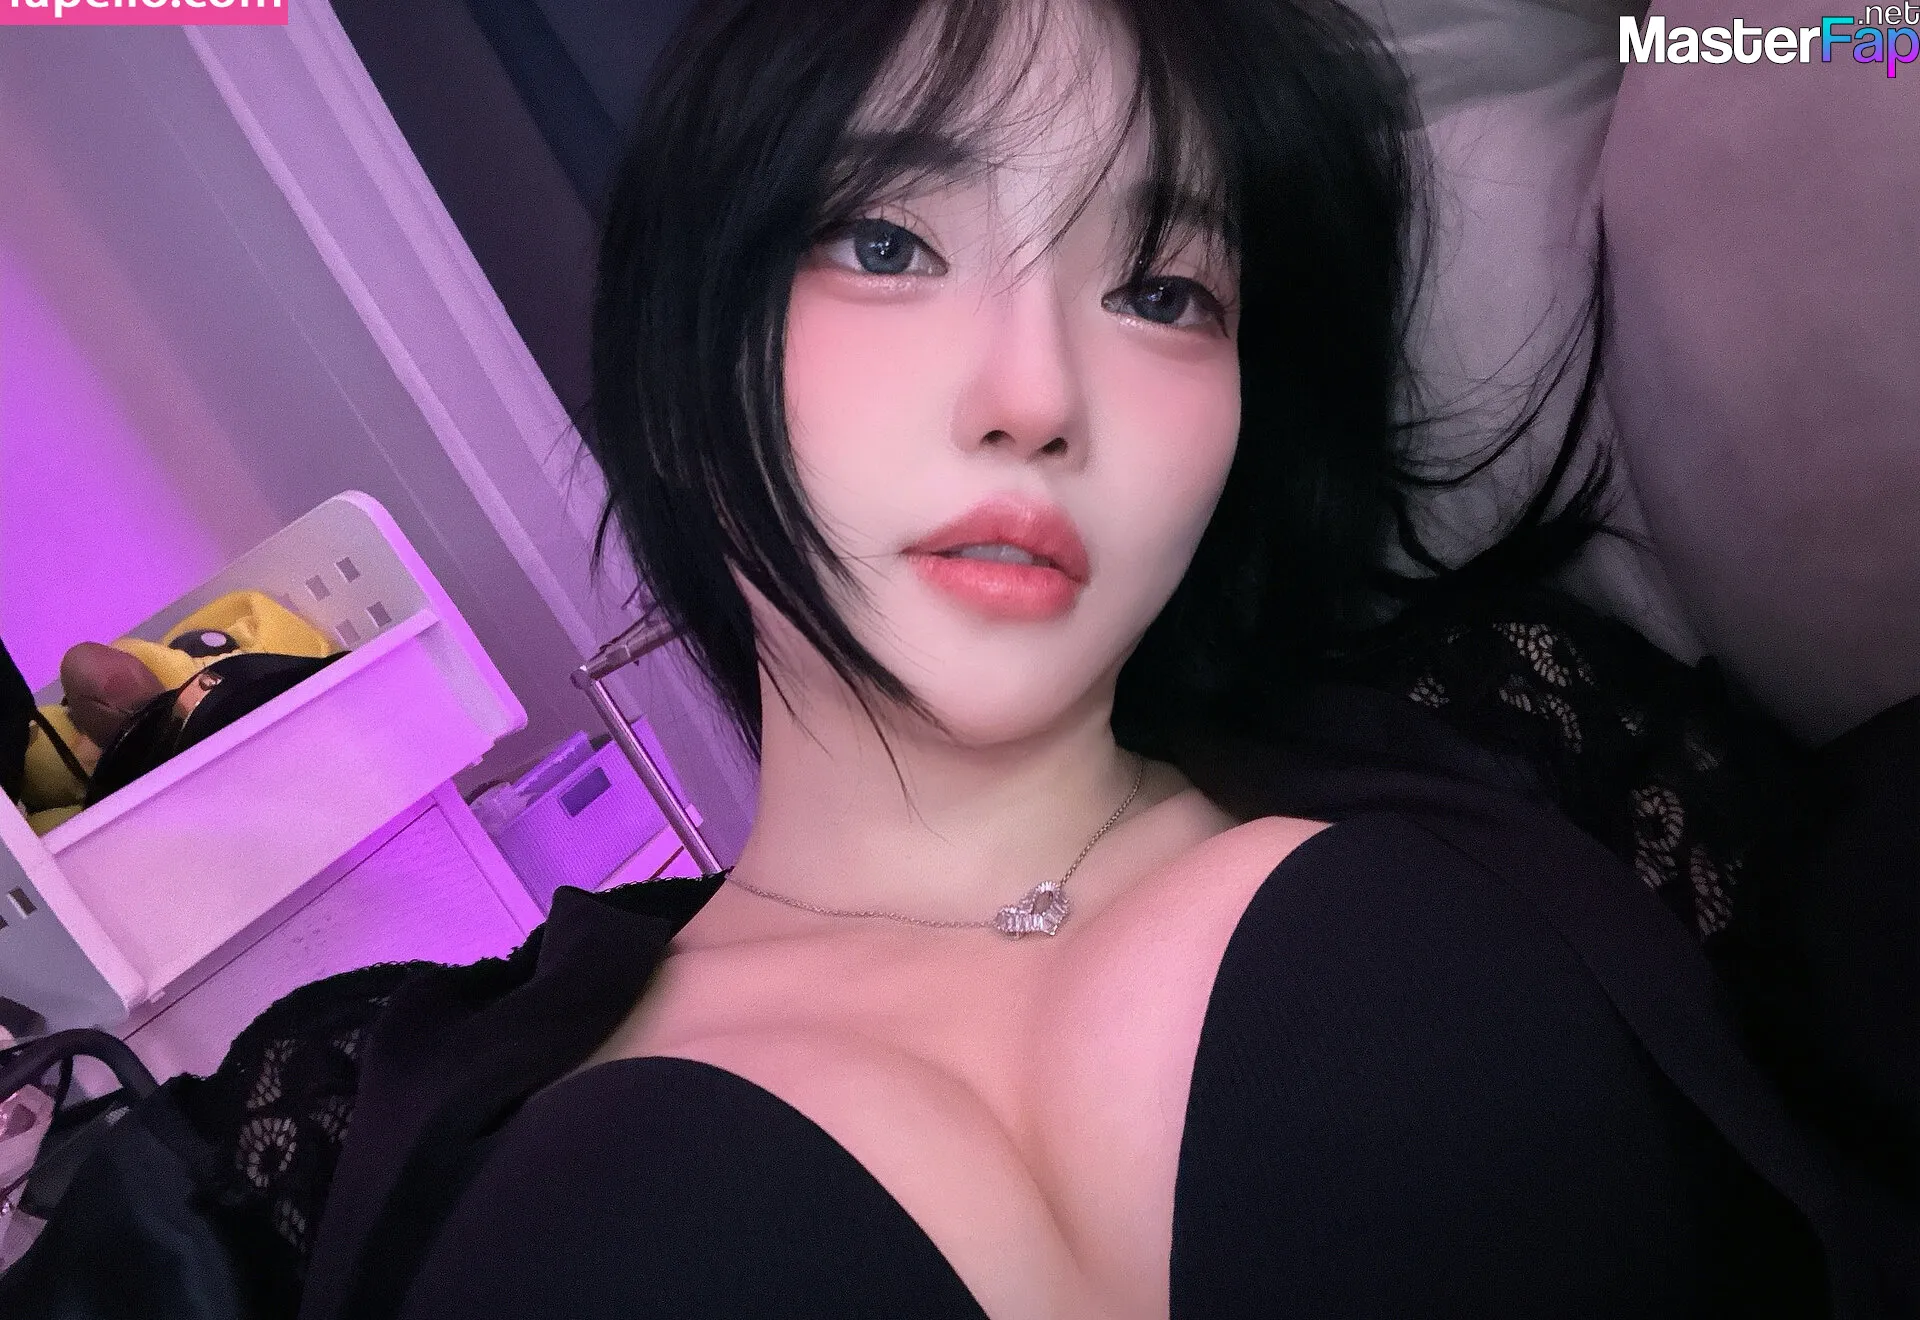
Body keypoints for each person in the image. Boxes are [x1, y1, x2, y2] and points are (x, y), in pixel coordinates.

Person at [0, 0, 1901, 1317]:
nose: (1035, 394)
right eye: (890, 242)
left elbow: (1848, 35)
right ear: (688, 345)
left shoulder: (1535, 735)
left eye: (1161, 288)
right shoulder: (312, 1140)